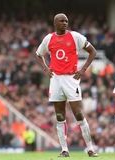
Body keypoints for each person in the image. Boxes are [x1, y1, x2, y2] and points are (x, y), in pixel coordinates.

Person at [35, 13, 98, 157]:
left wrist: (83, 70)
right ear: (55, 23)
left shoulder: (75, 36)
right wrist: (45, 68)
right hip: (56, 79)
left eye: (66, 21)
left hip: (71, 79)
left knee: (79, 114)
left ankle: (90, 148)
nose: (65, 23)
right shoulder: (49, 38)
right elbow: (38, 54)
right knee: (59, 116)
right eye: (61, 21)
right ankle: (64, 150)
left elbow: (92, 52)